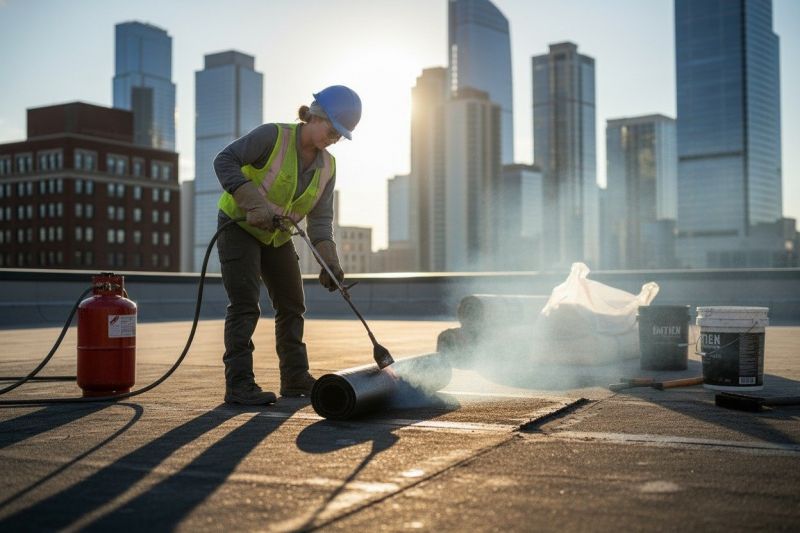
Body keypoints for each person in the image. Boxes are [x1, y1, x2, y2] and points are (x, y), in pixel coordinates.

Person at [213, 85, 362, 405]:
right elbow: (224, 160)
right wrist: (252, 203)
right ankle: (239, 384)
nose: (335, 138)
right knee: (245, 304)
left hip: (277, 236)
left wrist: (330, 264)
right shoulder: (273, 137)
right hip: (238, 226)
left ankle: (294, 378)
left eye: (340, 134)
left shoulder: (328, 168)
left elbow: (320, 223)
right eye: (333, 129)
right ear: (315, 116)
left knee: (292, 304)